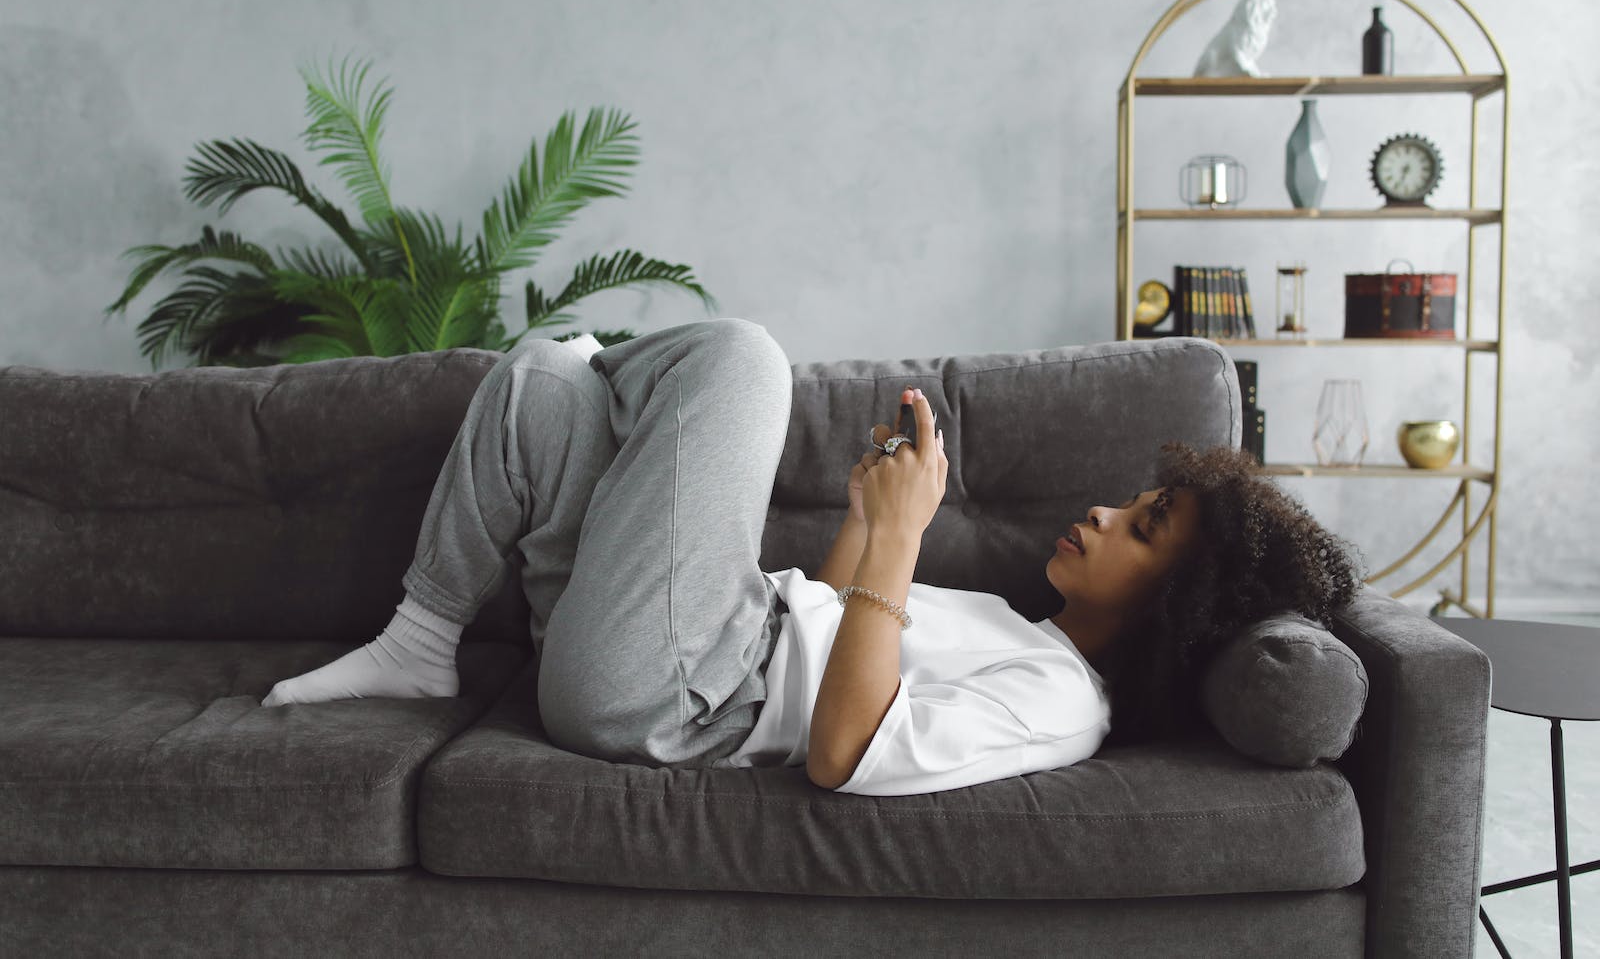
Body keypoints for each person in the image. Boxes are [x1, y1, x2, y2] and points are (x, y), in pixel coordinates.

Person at [262, 318, 1362, 796]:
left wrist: (899, 535)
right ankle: (420, 638)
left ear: (1174, 602)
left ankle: (621, 366)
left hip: (680, 692)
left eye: (1144, 524)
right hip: (684, 638)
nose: (1107, 510)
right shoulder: (1017, 630)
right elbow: (838, 622)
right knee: (542, 378)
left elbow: (842, 748)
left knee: (745, 359)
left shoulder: (1060, 704)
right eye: (1133, 499)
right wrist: (862, 514)